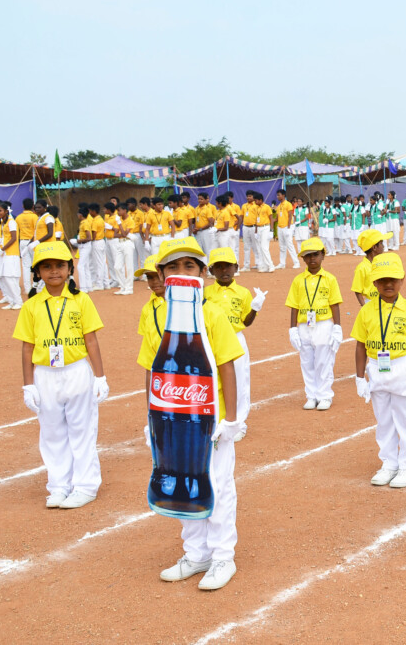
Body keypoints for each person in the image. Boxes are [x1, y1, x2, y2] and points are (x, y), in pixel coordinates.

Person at [141, 237, 243, 591]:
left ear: (203, 273)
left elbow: (228, 366)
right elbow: (153, 372)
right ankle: (196, 553)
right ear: (161, 273)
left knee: (216, 484)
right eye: (172, 266)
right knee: (184, 487)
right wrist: (151, 417)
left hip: (209, 421)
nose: (181, 272)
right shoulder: (160, 317)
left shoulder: (212, 314)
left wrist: (231, 419)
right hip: (172, 417)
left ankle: (221, 557)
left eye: (189, 266)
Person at [13, 241, 107, 509]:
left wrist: (99, 377)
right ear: (37, 273)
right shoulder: (31, 306)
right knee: (52, 433)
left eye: (59, 266)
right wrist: (28, 385)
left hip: (77, 371)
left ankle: (85, 486)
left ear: (69, 269)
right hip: (45, 374)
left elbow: (91, 341)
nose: (53, 271)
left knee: (82, 430)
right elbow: (26, 347)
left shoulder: (81, 300)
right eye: (46, 266)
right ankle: (58, 486)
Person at [351, 253, 406, 489]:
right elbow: (360, 345)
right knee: (384, 420)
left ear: (402, 280)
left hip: (403, 369)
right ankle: (389, 463)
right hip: (377, 369)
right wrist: (359, 378)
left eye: (393, 279)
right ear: (374, 283)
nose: (388, 284)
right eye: (382, 280)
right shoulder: (366, 311)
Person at [206, 247, 266, 442]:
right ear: (211, 270)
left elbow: (246, 321)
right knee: (213, 380)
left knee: (239, 381)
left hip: (235, 339)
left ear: (236, 267)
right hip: (211, 340)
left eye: (228, 266)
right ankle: (217, 418)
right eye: (219, 267)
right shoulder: (206, 293)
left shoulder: (242, 292)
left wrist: (255, 308)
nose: (224, 271)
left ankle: (239, 423)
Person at [287, 238, 344, 411]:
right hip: (305, 325)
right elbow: (294, 306)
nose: (312, 259)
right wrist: (293, 329)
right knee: (307, 361)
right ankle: (311, 395)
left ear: (323, 255)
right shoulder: (298, 280)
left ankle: (325, 395)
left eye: (316, 255)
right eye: (308, 256)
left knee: (323, 361)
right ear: (303, 259)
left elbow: (334, 304)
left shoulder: (330, 279)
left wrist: (337, 327)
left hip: (323, 324)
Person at [0, 201, 23, 309]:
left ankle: (18, 301)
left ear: (6, 211)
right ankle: (12, 301)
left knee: (11, 278)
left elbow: (14, 238)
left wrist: (3, 249)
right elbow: (4, 238)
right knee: (5, 278)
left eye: (0, 211)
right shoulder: (2, 223)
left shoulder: (11, 222)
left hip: (12, 253)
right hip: (5, 253)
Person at [352, 229, 390, 306]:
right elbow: (357, 290)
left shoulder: (383, 263)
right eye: (381, 243)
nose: (383, 246)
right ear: (374, 247)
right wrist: (364, 307)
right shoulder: (362, 268)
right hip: (370, 303)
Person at [274, 191, 299, 269]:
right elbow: (277, 218)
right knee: (282, 246)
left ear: (283, 195)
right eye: (277, 195)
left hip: (287, 227)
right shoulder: (278, 206)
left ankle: (296, 262)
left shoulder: (288, 204)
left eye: (279, 195)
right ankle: (282, 263)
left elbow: (290, 216)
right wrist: (270, 220)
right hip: (280, 227)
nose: (277, 197)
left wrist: (288, 228)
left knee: (290, 245)